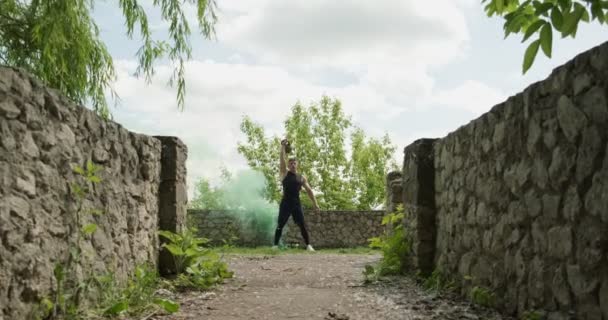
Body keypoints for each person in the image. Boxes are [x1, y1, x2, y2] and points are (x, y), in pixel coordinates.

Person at [272, 139, 320, 251]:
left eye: (294, 163)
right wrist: (283, 147)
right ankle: (275, 245)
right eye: (291, 163)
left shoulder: (301, 177)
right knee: (280, 224)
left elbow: (309, 190)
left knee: (302, 225)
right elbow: (282, 160)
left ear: (297, 164)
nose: (293, 164)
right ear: (288, 165)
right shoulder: (284, 173)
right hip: (285, 203)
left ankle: (308, 246)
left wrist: (315, 204)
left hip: (296, 203)